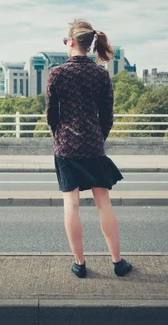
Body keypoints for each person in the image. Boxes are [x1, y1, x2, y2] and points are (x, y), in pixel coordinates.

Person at [45, 19, 132, 279]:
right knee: (103, 202)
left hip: (66, 147)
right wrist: (97, 137)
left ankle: (80, 264)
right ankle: (117, 262)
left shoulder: (57, 74)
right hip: (93, 146)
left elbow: (51, 114)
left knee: (71, 204)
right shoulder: (100, 74)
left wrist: (58, 136)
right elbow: (107, 116)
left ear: (71, 42)